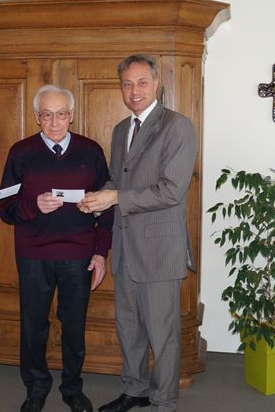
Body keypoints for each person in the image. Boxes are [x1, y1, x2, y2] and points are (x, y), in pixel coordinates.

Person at [79, 54, 197, 412]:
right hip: (127, 247)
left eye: (142, 82)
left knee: (163, 336)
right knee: (129, 328)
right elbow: (120, 180)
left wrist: (116, 196)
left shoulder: (177, 126)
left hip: (160, 251)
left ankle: (164, 400)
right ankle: (135, 390)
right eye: (127, 83)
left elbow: (170, 190)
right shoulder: (120, 130)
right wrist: (99, 198)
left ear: (156, 84)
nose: (135, 91)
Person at [0, 84, 113, 412]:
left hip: (78, 253)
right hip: (33, 253)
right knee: (33, 324)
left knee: (74, 324)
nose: (54, 121)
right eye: (47, 115)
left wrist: (100, 252)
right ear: (37, 117)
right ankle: (35, 387)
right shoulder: (20, 152)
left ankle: (72, 388)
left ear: (71, 116)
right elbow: (4, 209)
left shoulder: (91, 151)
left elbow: (107, 208)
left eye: (61, 114)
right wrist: (33, 206)